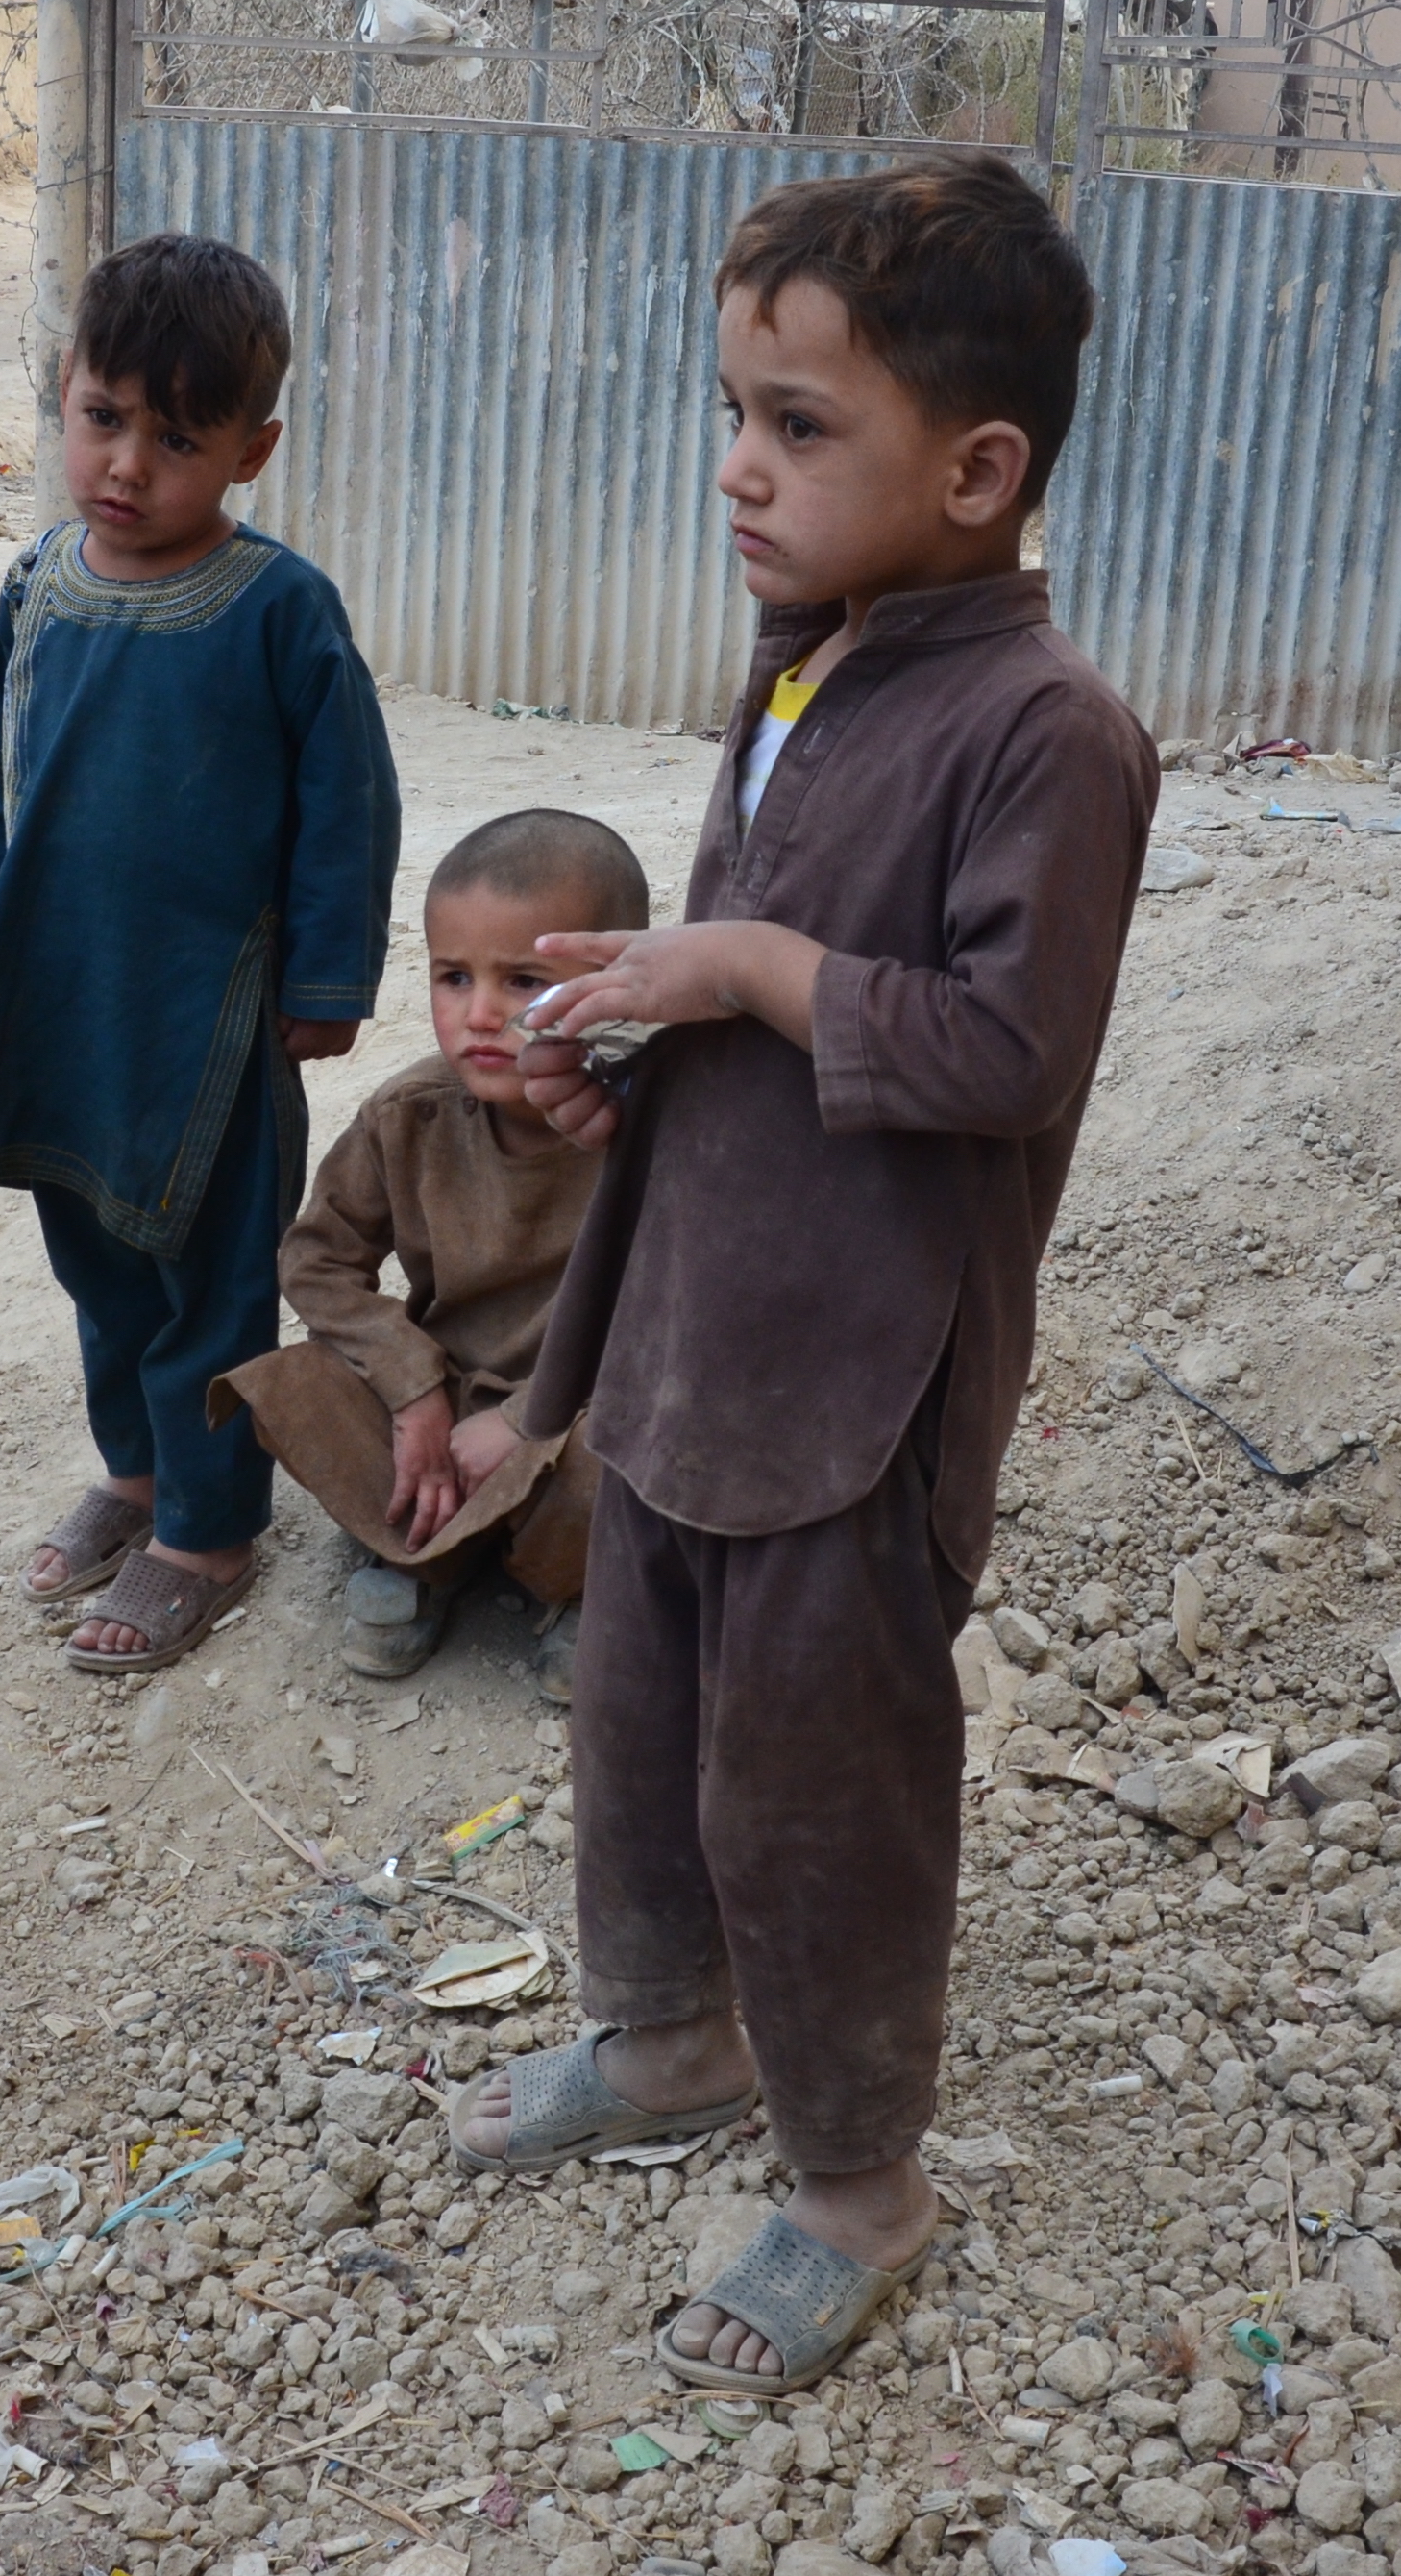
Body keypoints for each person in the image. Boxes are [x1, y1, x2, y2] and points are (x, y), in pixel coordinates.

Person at [449, 153, 1156, 2392]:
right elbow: (751, 1009)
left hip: (854, 1391)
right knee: (639, 1728)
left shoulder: (1046, 730)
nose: (738, 468)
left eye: (798, 425)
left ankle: (858, 2179)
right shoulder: (804, 660)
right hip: (688, 1336)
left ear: (977, 468)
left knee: (818, 1788)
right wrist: (622, 1059)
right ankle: (665, 2039)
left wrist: (743, 961)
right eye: (730, 409)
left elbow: (1000, 1045)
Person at [0, 234, 400, 1672]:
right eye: (103, 417)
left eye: (177, 438)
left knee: (210, 1276)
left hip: (215, 1015)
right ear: (63, 392)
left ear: (253, 447)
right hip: (63, 994)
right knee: (93, 1253)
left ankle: (211, 1526)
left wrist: (324, 981)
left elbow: (345, 799)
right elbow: (6, 765)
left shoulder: (275, 609)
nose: (127, 464)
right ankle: (134, 1472)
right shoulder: (38, 584)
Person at [217, 810, 643, 1682]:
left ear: (614, 982)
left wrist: (532, 1418)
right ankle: (428, 1553)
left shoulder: (657, 1129)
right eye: (453, 977)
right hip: (441, 1396)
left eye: (522, 980)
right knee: (303, 1382)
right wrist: (413, 1393)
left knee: (642, 1441)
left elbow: (693, 1312)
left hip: (581, 1403)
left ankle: (579, 1583)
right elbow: (315, 1259)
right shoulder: (407, 1114)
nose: (479, 1014)